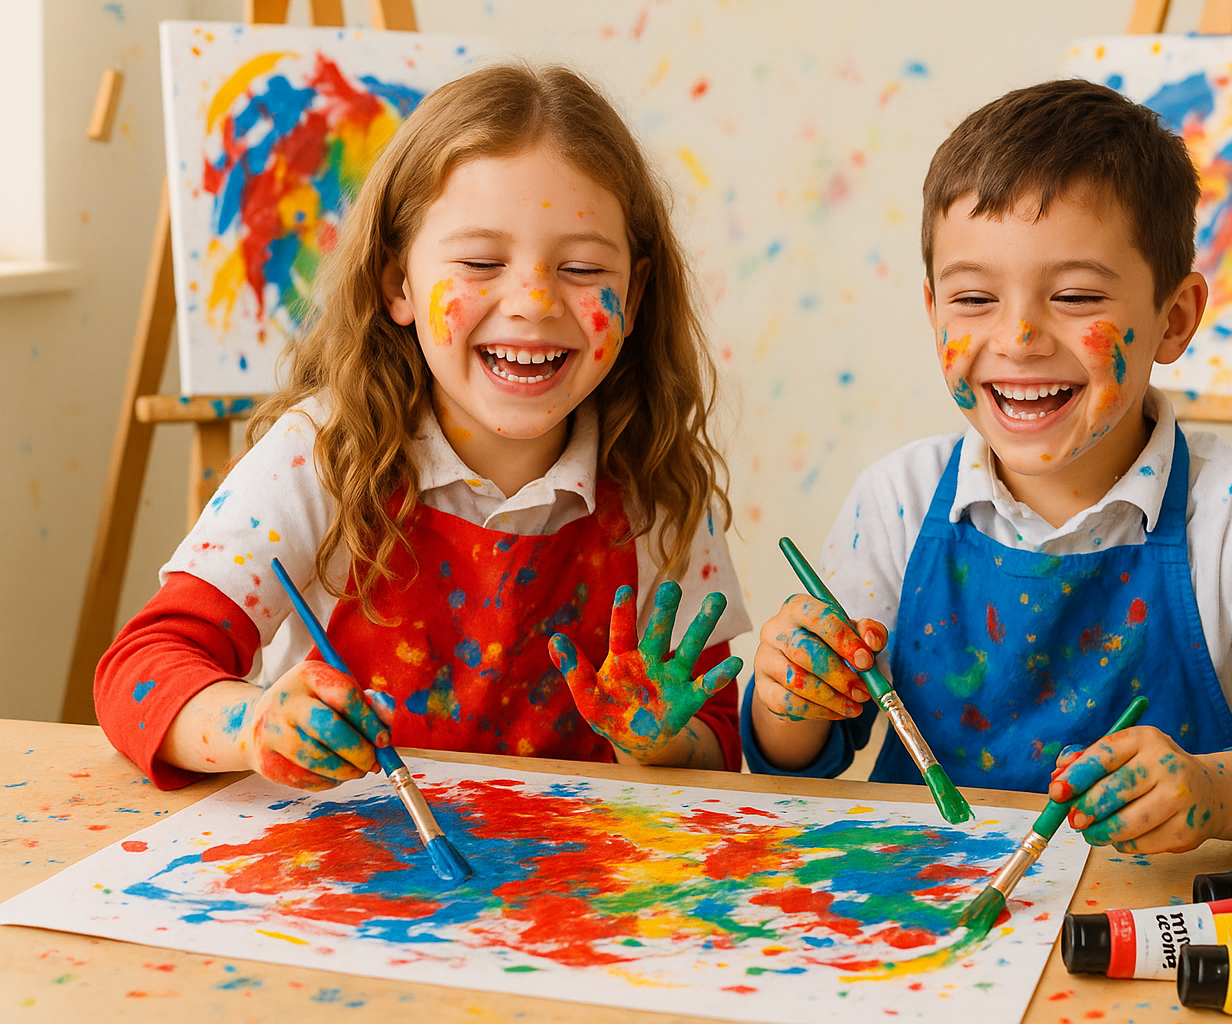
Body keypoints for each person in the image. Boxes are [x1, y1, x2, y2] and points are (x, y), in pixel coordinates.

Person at [745, 80, 1232, 856]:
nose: (1020, 335)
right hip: (922, 916)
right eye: (973, 298)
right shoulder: (898, 499)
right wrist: (789, 696)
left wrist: (1218, 791)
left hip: (1147, 929)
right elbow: (801, 755)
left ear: (1172, 320)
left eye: (1073, 295)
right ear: (931, 309)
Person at [96, 63, 749, 791]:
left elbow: (718, 743)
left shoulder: (659, 485)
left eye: (579, 267)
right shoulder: (323, 455)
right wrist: (253, 726)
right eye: (479, 261)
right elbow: (141, 670)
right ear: (397, 282)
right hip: (345, 878)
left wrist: (660, 742)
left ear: (636, 290)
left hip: (569, 889)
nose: (532, 301)